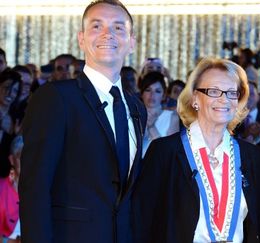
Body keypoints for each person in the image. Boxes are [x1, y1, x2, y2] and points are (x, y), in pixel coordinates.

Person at [19, 1, 147, 243]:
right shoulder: (56, 98)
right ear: (81, 39)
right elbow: (34, 186)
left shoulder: (136, 107)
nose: (108, 34)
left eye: (118, 28)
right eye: (97, 26)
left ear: (132, 42)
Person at [132, 58, 260, 243]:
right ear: (195, 98)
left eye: (231, 93)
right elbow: (141, 221)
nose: (223, 99)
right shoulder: (164, 152)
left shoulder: (252, 157)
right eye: (214, 91)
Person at [138, 71, 180, 155]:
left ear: (164, 95)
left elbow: (170, 152)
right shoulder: (133, 115)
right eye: (148, 90)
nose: (152, 95)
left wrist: (151, 127)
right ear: (142, 93)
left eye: (157, 91)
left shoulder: (171, 117)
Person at [0, 135, 23, 243]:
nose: (26, 162)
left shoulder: (41, 191)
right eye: (21, 157)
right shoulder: (2, 189)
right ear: (12, 160)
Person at [0, 70, 21, 178]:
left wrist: (17, 136)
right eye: (6, 87)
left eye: (15, 90)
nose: (9, 93)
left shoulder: (17, 118)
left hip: (4, 176)